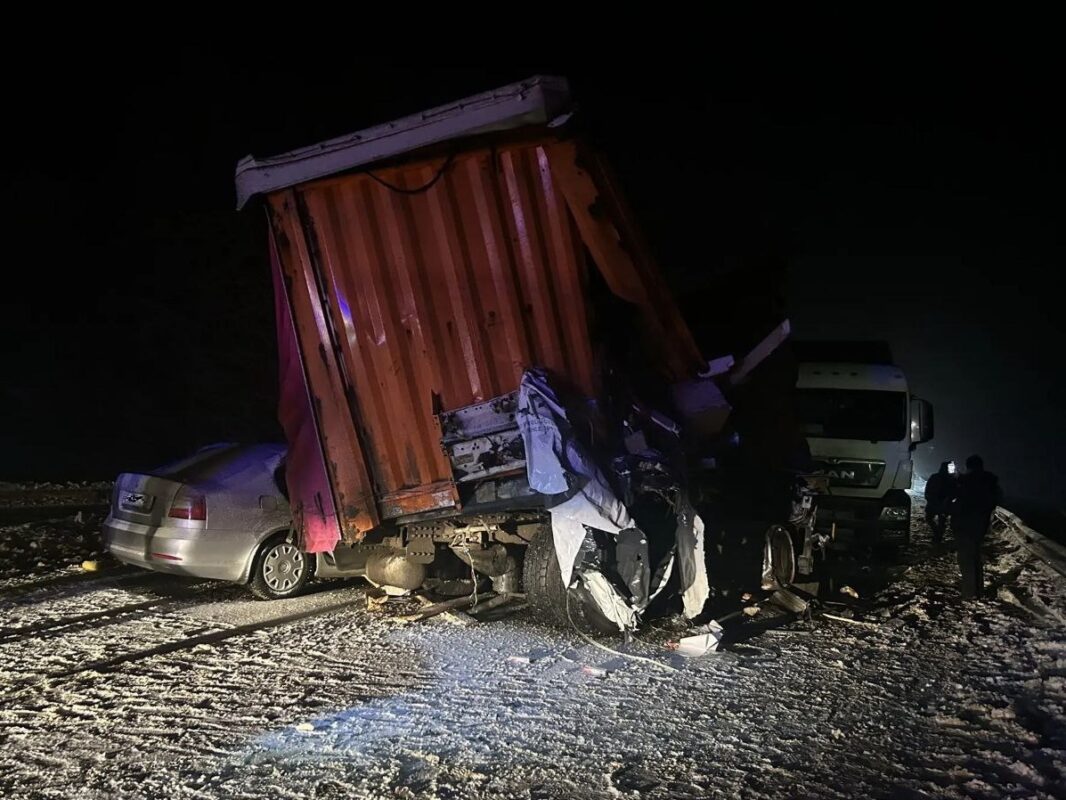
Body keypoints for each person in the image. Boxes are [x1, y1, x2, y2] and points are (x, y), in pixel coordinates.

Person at [951, 454, 1003, 599]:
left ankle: (969, 593)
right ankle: (978, 591)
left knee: (965, 559)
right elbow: (997, 499)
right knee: (975, 557)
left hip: (964, 525)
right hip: (981, 524)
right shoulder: (990, 481)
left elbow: (955, 500)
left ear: (968, 466)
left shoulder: (965, 481)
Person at [924, 461, 957, 542]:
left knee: (931, 519)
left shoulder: (935, 476)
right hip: (942, 503)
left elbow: (928, 488)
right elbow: (955, 492)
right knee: (941, 521)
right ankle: (938, 535)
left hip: (936, 502)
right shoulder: (951, 479)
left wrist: (929, 498)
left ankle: (938, 535)